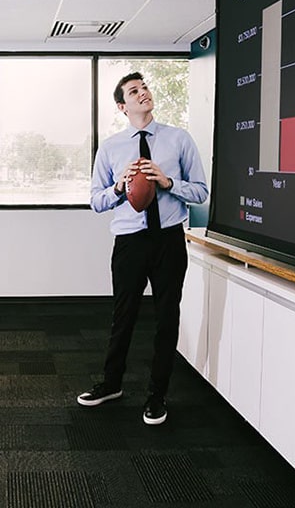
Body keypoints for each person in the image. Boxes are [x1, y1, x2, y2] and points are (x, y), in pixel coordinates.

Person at [77, 71, 208, 425]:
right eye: (134, 91)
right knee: (124, 316)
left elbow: (201, 192)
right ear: (123, 106)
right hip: (129, 242)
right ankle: (112, 384)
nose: (143, 93)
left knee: (167, 317)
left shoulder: (179, 139)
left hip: (168, 239)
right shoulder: (111, 148)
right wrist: (119, 188)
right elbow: (96, 201)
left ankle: (157, 395)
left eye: (145, 87)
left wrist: (167, 182)